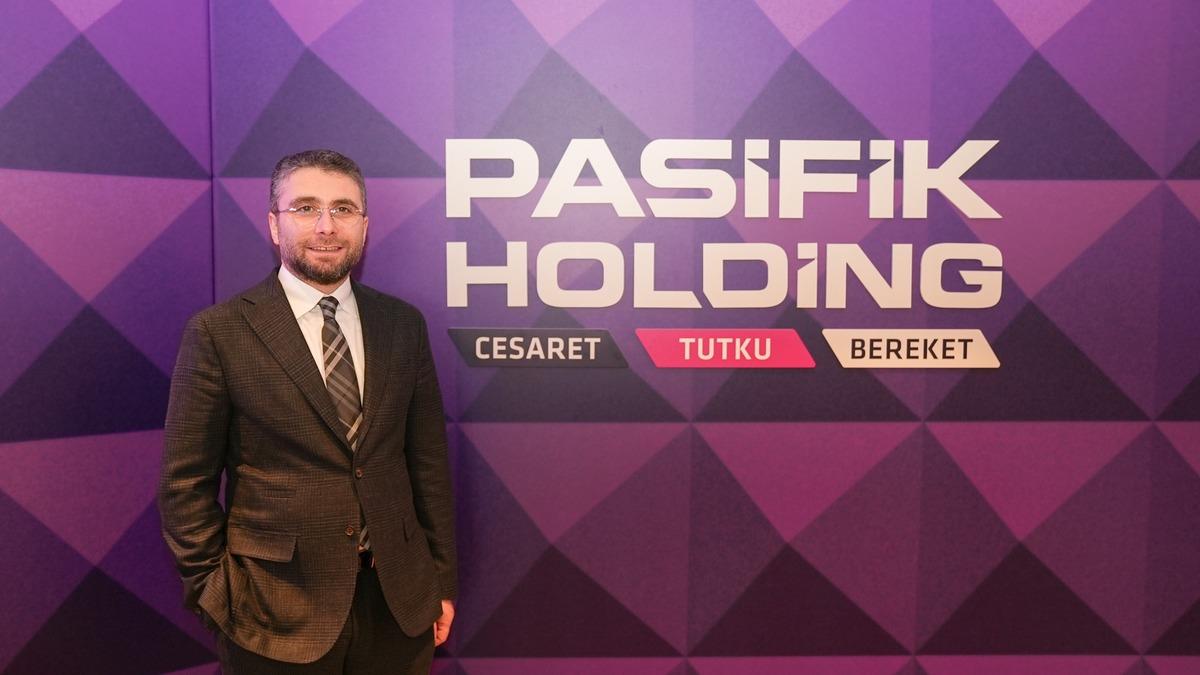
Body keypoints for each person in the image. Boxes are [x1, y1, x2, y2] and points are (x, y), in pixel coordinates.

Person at [158, 149, 456, 673]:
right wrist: (216, 594)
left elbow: (427, 465)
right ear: (275, 225)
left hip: (399, 607)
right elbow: (185, 484)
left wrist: (439, 581)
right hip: (272, 614)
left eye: (343, 209)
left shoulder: (402, 325)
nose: (326, 226)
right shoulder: (219, 331)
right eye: (305, 208)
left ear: (364, 226)